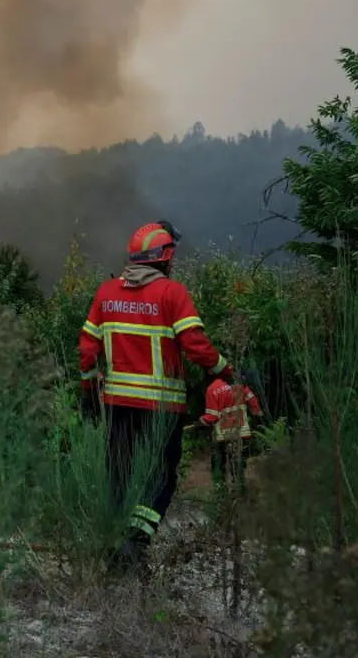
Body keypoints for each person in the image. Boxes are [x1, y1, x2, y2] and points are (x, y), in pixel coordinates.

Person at [78, 220, 234, 574]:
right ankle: (134, 544)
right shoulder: (172, 294)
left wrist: (88, 390)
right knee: (159, 477)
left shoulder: (106, 294)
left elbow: (87, 350)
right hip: (162, 408)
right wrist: (223, 370)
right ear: (164, 258)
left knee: (118, 471)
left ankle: (113, 540)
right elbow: (196, 346)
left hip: (118, 405)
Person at [199, 373, 263, 494]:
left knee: (219, 460)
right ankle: (240, 488)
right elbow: (253, 401)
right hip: (241, 432)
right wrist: (258, 414)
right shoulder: (240, 384)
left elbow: (211, 416)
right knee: (239, 460)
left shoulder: (212, 388)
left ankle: (220, 489)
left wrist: (203, 420)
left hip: (222, 435)